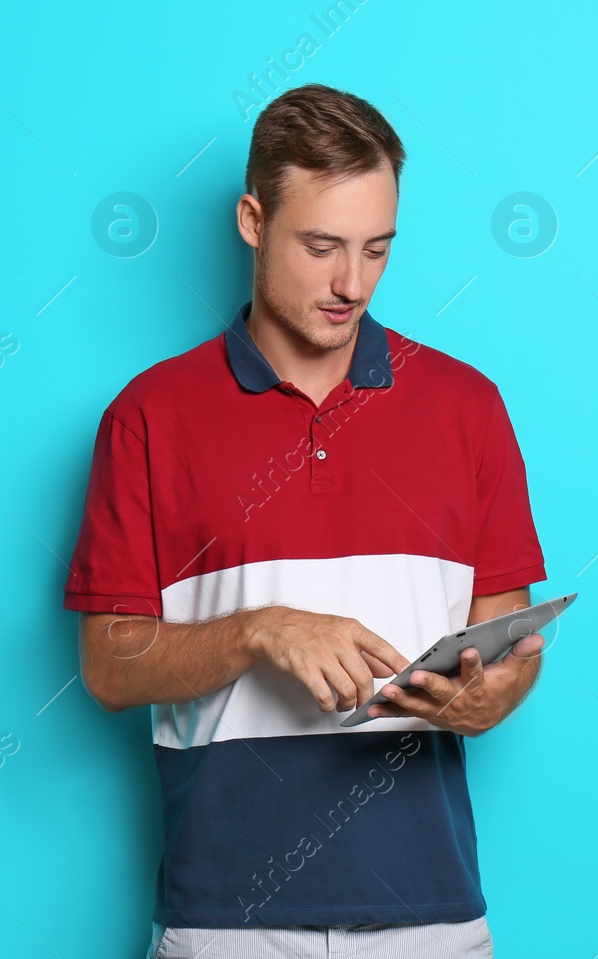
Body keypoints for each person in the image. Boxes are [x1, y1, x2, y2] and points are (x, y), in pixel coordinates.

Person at [62, 83, 550, 959]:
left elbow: (505, 645)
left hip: (433, 917)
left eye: (377, 249)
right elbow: (106, 665)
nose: (350, 283)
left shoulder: (467, 407)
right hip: (224, 923)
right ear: (253, 219)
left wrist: (488, 697)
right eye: (321, 245)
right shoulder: (150, 415)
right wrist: (258, 632)